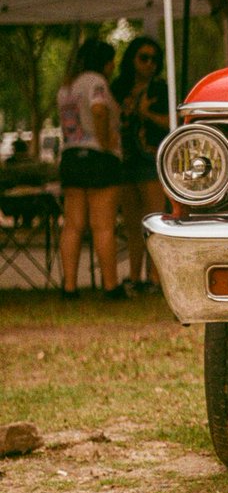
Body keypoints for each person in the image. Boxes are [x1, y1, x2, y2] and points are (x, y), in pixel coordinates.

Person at [57, 38, 125, 299]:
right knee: (103, 225)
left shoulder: (67, 86)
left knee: (72, 225)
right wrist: (106, 141)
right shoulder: (96, 83)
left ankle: (69, 286)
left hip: (72, 156)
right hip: (99, 158)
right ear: (104, 62)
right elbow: (98, 110)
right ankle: (111, 285)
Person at [111, 36, 170, 293]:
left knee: (154, 222)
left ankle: (156, 279)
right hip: (125, 161)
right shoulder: (119, 88)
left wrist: (145, 113)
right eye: (143, 58)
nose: (149, 64)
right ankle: (135, 277)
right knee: (132, 225)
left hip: (151, 161)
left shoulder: (160, 89)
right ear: (132, 59)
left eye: (154, 60)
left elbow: (172, 123)